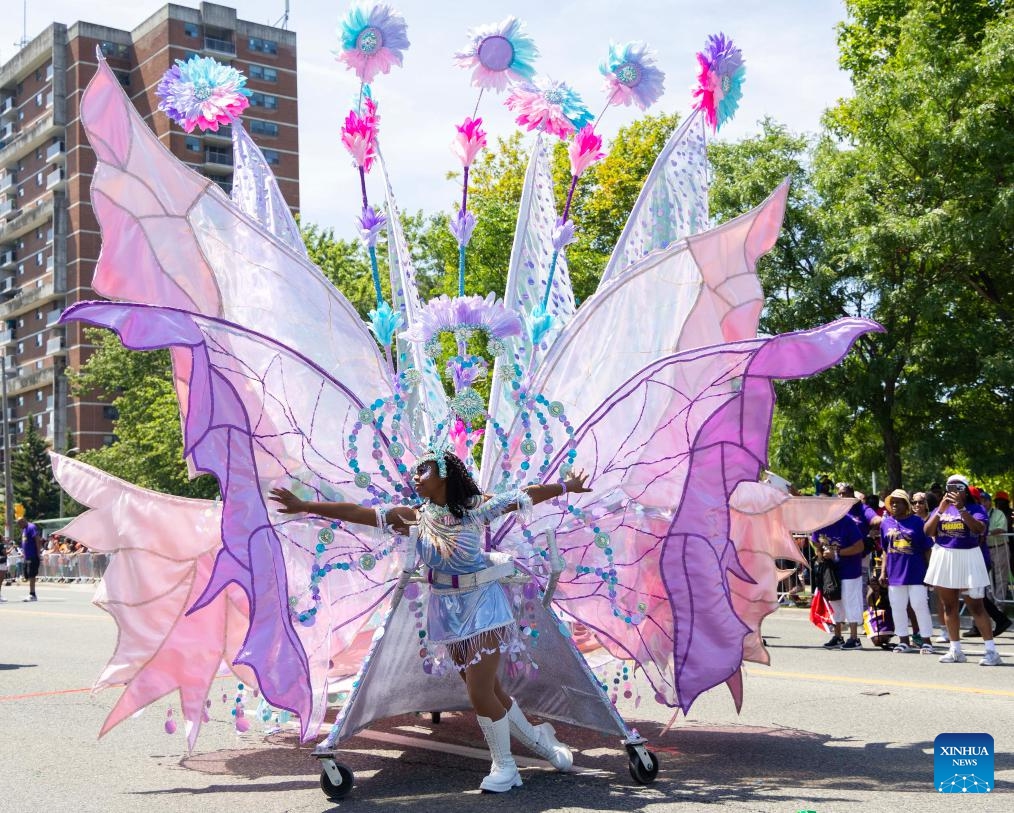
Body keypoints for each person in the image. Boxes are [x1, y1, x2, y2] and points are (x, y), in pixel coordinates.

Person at [270, 451, 590, 793]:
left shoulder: (474, 506)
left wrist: (566, 485)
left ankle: (506, 767)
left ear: (444, 474)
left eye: (423, 471)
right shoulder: (414, 517)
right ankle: (541, 740)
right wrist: (305, 507)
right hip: (447, 612)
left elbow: (524, 495)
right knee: (491, 691)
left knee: (480, 692)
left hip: (483, 605)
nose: (416, 477)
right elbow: (356, 513)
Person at [924, 475, 1001, 665]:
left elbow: (978, 529)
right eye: (950, 487)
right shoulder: (940, 508)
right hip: (944, 556)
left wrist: (961, 509)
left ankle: (992, 651)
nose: (953, 491)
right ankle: (955, 649)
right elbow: (927, 531)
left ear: (965, 490)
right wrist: (940, 511)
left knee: (976, 606)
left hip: (968, 557)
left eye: (957, 488)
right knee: (950, 607)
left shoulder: (976, 508)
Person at [878, 489, 934, 653]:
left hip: (916, 571)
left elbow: (927, 549)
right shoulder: (885, 523)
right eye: (892, 502)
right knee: (897, 607)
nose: (894, 504)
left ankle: (926, 641)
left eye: (899, 501)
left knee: (919, 605)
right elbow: (884, 550)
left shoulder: (917, 522)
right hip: (894, 573)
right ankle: (903, 640)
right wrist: (883, 572)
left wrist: (930, 572)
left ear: (906, 504)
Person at [812, 509, 865, 650]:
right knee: (834, 600)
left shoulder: (847, 522)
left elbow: (859, 546)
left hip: (850, 569)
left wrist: (836, 552)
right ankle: (838, 636)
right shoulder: (819, 524)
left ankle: (854, 638)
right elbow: (816, 543)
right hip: (831, 570)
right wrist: (821, 555)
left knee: (850, 600)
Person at [18, 517, 41, 602]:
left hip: (33, 555)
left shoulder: (31, 527)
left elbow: (37, 540)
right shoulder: (24, 529)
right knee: (27, 575)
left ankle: (32, 594)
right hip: (27, 556)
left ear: (23, 521)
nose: (19, 526)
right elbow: (25, 542)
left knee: (31, 575)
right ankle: (32, 593)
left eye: (19, 524)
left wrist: (38, 553)